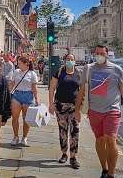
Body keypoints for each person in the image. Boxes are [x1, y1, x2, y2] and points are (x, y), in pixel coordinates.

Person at [75, 45, 123, 178]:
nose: (99, 56)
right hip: (94, 111)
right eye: (97, 53)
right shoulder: (88, 68)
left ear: (107, 54)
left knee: (110, 139)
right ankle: (104, 169)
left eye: (102, 53)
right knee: (100, 140)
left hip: (112, 110)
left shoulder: (117, 70)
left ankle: (111, 174)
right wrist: (77, 110)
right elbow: (82, 91)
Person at [48, 54, 81, 169]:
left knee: (75, 130)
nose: (70, 61)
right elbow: (52, 88)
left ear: (75, 61)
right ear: (64, 60)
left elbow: (82, 90)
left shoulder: (79, 73)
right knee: (63, 129)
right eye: (68, 59)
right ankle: (64, 153)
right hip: (60, 105)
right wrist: (51, 104)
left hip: (74, 107)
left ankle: (73, 157)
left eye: (72, 59)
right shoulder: (59, 73)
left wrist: (81, 107)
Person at [9, 56, 39, 146]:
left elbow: (34, 87)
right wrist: (7, 93)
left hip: (28, 95)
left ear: (26, 64)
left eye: (20, 63)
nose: (18, 65)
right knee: (15, 117)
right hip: (17, 95)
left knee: (26, 119)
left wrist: (36, 98)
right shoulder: (16, 72)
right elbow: (12, 83)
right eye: (18, 63)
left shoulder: (32, 74)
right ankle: (15, 136)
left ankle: (24, 137)